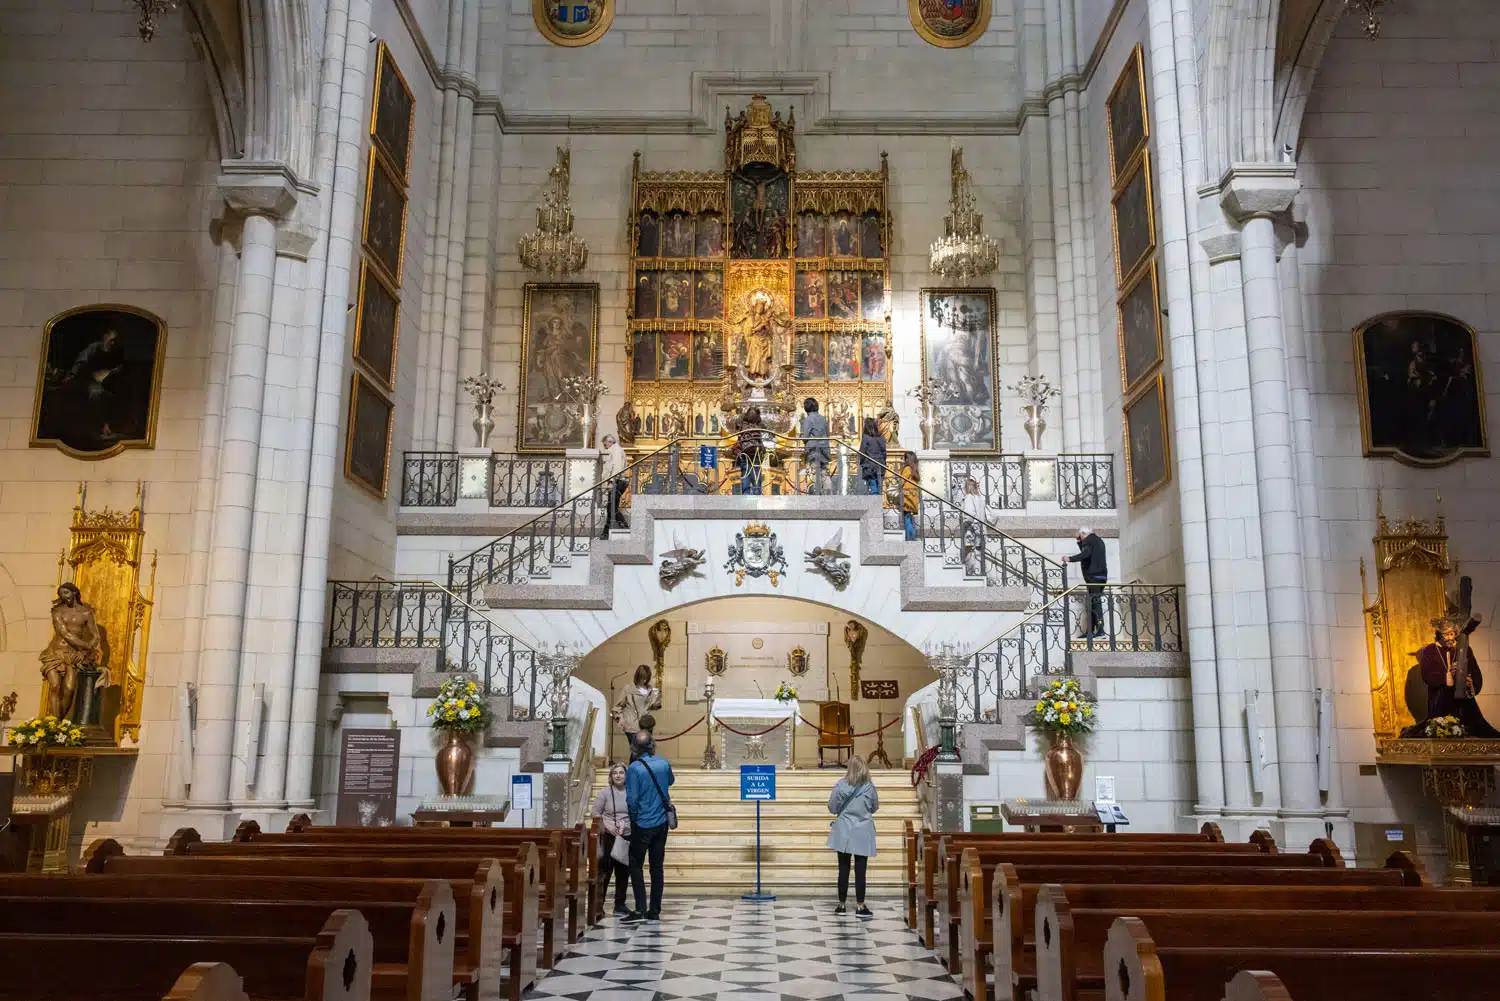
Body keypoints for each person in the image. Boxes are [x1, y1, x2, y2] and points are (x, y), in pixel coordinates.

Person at [1401, 597, 1500, 738]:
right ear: (1438, 635)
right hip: (1440, 699)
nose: (1450, 638)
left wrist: (1470, 683)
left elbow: (1475, 672)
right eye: (1446, 634)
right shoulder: (1430, 650)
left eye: (1452, 633)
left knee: (1479, 728)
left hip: (1463, 701)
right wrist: (1446, 676)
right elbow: (1427, 675)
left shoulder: (1465, 649)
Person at [624, 731, 675, 922]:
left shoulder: (635, 768)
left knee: (635, 864)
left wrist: (634, 818)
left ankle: (640, 908)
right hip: (662, 822)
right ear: (652, 744)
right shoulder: (663, 762)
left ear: (634, 748)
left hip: (643, 822)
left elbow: (632, 799)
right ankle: (655, 911)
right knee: (657, 867)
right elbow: (671, 781)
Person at [827, 754, 878, 918]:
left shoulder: (840, 785)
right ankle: (860, 905)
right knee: (861, 870)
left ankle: (841, 905)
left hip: (844, 830)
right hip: (862, 830)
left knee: (843, 868)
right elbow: (875, 807)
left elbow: (832, 807)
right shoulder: (869, 787)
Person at [591, 764, 632, 915]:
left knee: (623, 872)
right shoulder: (605, 793)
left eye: (621, 773)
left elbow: (637, 813)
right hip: (608, 837)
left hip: (626, 835)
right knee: (605, 871)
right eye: (615, 773)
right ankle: (598, 905)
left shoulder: (632, 792)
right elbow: (594, 813)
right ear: (611, 776)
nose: (618, 775)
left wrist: (625, 825)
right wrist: (607, 824)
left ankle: (619, 904)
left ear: (626, 776)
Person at [1065, 527, 1108, 639]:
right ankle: (1091, 631)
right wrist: (1080, 543)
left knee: (1095, 603)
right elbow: (1088, 552)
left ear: (1084, 534)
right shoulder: (1097, 540)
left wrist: (1070, 559)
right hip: (1101, 576)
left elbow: (1086, 554)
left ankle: (1100, 631)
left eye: (1081, 536)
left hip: (1094, 577)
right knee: (1093, 603)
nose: (1081, 538)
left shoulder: (1089, 541)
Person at [613, 665, 661, 743]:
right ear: (638, 676)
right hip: (632, 727)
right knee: (637, 751)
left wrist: (657, 704)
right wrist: (621, 721)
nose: (644, 680)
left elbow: (650, 706)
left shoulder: (650, 690)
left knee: (644, 752)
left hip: (646, 725)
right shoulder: (628, 689)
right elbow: (617, 707)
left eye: (647, 678)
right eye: (643, 677)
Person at [600, 434, 628, 540]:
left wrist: (612, 481)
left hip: (617, 482)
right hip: (618, 481)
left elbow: (617, 466)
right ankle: (622, 527)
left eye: (605, 444)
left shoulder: (615, 450)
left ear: (610, 442)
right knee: (612, 507)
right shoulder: (617, 450)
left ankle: (607, 532)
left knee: (611, 507)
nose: (605, 447)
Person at [801, 398, 830, 495]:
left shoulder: (808, 419)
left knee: (815, 472)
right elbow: (827, 434)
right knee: (825, 473)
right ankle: (829, 495)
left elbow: (805, 436)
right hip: (824, 449)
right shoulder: (823, 418)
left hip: (814, 450)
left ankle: (817, 496)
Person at [959, 475, 985, 573]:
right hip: (980, 530)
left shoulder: (969, 497)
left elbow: (969, 515)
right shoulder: (979, 498)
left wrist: (965, 523)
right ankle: (978, 573)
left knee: (970, 554)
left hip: (971, 531)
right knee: (978, 554)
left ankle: (972, 574)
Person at [738, 408, 767, 496]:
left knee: (746, 479)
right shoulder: (757, 427)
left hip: (745, 454)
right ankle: (756, 500)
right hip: (754, 455)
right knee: (756, 481)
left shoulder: (741, 425)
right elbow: (760, 441)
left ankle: (746, 500)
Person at [858, 417, 886, 498]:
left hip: (870, 466)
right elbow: (884, 452)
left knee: (873, 486)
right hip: (880, 465)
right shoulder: (881, 438)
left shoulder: (866, 438)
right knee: (879, 485)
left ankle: (874, 506)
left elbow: (862, 452)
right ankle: (878, 504)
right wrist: (883, 462)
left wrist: (861, 463)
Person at [900, 454, 921, 541]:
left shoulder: (907, 469)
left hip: (907, 497)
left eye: (905, 459)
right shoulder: (915, 469)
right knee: (910, 518)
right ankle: (912, 537)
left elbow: (901, 481)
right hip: (913, 497)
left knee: (907, 518)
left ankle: (910, 538)